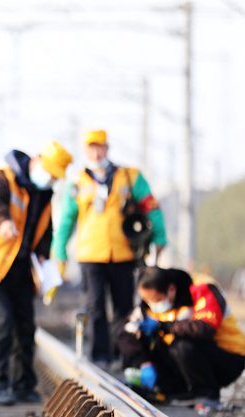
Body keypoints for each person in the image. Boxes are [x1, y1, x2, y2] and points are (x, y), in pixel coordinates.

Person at [0, 141, 73, 405]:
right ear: (38, 160)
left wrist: (43, 254)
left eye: (56, 177)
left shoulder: (43, 192)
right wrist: (4, 221)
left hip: (20, 267)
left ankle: (23, 385)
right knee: (1, 323)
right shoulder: (2, 178)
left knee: (25, 326)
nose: (51, 179)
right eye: (51, 173)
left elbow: (45, 227)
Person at [52, 129, 168, 367]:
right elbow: (66, 219)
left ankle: (122, 354)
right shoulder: (77, 182)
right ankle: (100, 356)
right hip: (90, 255)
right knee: (95, 306)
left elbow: (150, 205)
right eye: (90, 148)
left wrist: (159, 236)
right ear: (85, 151)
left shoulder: (130, 177)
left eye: (99, 147)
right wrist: (59, 249)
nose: (95, 153)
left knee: (123, 308)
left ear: (107, 148)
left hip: (123, 253)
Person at [116, 267, 245, 404]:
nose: (153, 305)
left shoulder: (201, 289)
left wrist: (164, 326)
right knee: (149, 339)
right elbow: (125, 332)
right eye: (148, 300)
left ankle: (207, 394)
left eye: (157, 300)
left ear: (171, 290)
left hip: (228, 357)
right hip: (189, 361)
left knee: (182, 344)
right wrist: (143, 362)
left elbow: (205, 328)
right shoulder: (148, 303)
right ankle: (173, 391)